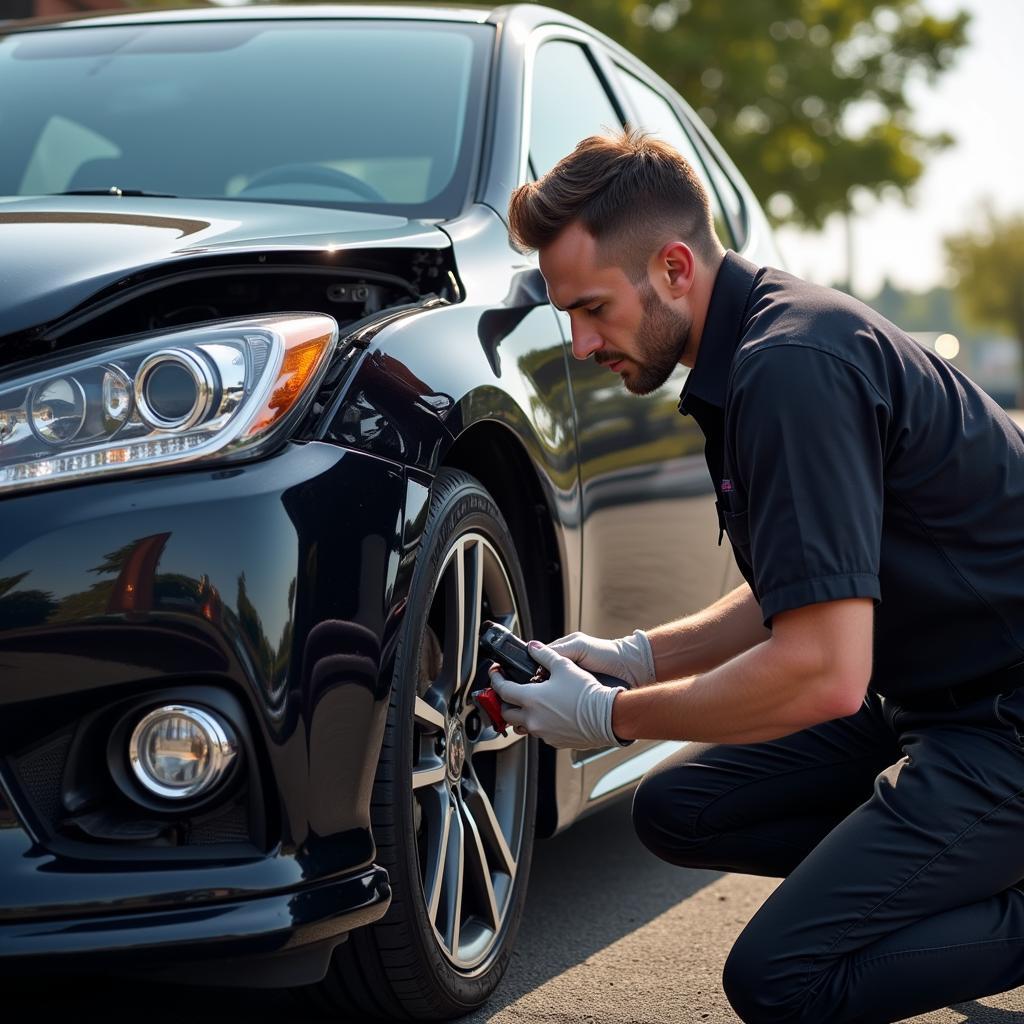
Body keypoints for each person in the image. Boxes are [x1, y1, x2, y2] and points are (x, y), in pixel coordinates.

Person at [491, 126, 1024, 1024]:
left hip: (1004, 723)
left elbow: (823, 670)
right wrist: (634, 657)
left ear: (671, 269)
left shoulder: (791, 368)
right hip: (929, 703)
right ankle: (939, 868)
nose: (581, 344)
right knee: (681, 811)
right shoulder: (753, 349)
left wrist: (606, 715)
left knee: (781, 978)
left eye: (591, 309)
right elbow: (802, 583)